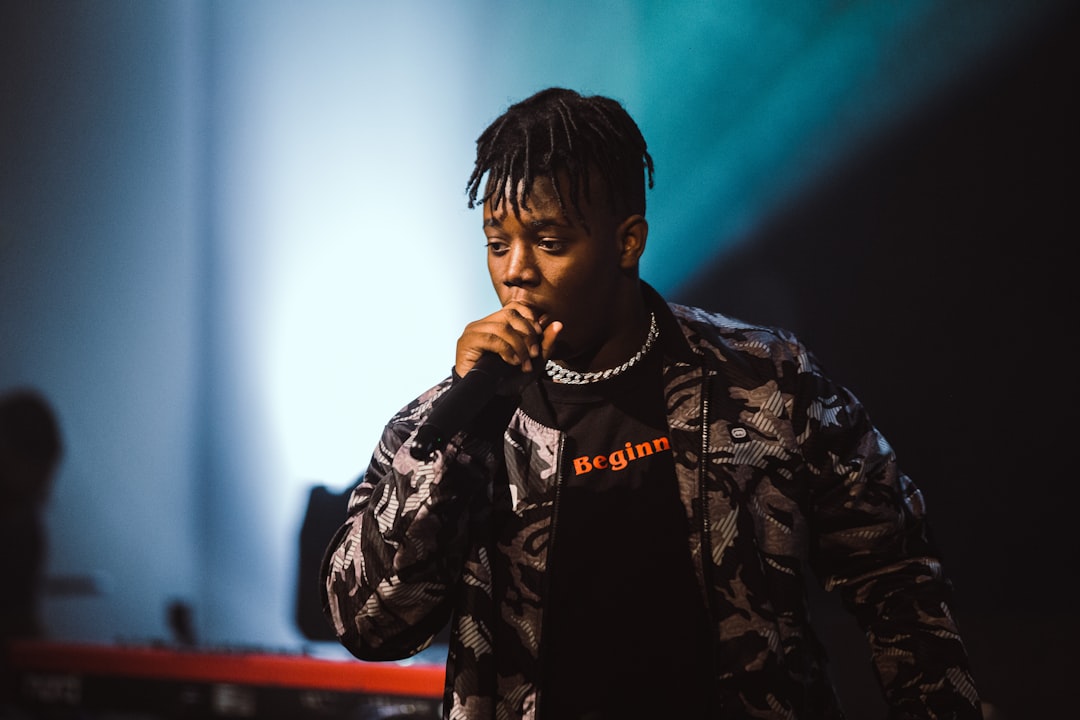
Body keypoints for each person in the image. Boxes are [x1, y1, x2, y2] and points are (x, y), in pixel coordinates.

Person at [321, 87, 983, 719]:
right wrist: (463, 437)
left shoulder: (765, 380)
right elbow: (369, 625)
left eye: (549, 242)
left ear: (627, 241)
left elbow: (896, 575)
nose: (516, 269)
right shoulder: (448, 421)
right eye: (498, 244)